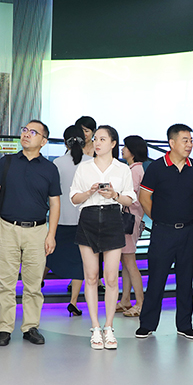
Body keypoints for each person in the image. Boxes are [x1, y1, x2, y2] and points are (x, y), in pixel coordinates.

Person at [0, 120, 61, 347]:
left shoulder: (50, 169)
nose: (26, 134)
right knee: (5, 283)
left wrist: (51, 234)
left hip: (37, 231)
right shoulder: (6, 162)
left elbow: (55, 204)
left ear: (43, 141)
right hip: (7, 228)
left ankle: (30, 327)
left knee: (33, 284)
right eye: (25, 130)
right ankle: (4, 328)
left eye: (33, 132)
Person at [135, 124, 193, 340]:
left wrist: (184, 213)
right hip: (162, 232)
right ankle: (147, 324)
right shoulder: (156, 167)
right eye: (185, 140)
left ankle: (185, 325)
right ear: (172, 143)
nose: (189, 144)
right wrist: (159, 218)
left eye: (191, 140)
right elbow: (144, 198)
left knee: (186, 280)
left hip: (188, 232)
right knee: (156, 279)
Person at [70, 125, 136, 349]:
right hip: (88, 219)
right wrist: (89, 192)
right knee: (91, 277)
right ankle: (95, 327)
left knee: (111, 278)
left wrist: (114, 195)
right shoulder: (84, 167)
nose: (97, 143)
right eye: (95, 139)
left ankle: (109, 326)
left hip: (112, 219)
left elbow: (130, 199)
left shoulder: (122, 169)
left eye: (102, 139)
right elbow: (74, 198)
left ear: (113, 143)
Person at [46, 125, 91, 317]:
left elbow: (51, 192)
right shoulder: (91, 163)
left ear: (65, 142)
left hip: (60, 218)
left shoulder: (57, 163)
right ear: (84, 141)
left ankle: (36, 287)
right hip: (84, 220)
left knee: (49, 255)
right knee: (81, 262)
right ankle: (73, 301)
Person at [117, 135, 148, 317]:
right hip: (132, 218)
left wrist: (116, 195)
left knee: (129, 261)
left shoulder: (134, 171)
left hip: (129, 219)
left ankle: (140, 303)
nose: (122, 150)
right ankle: (125, 300)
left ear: (132, 151)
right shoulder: (134, 169)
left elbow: (132, 198)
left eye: (125, 147)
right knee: (126, 260)